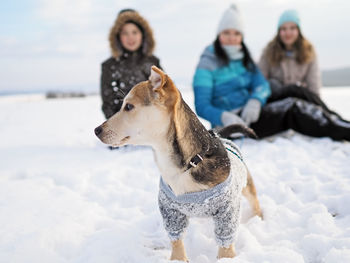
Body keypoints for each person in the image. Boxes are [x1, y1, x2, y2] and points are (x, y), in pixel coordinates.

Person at [193, 4, 350, 141]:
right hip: (234, 123)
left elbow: (261, 83)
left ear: (242, 36)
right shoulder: (207, 63)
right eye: (227, 33)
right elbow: (201, 105)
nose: (232, 38)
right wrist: (224, 117)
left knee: (296, 90)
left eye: (236, 33)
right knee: (292, 108)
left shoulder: (244, 58)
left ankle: (338, 120)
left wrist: (255, 100)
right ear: (219, 34)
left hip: (251, 109)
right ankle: (344, 131)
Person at [258, 9, 343, 118]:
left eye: (292, 28)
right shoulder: (268, 52)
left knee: (299, 92)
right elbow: (260, 81)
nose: (288, 33)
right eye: (284, 29)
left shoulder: (308, 52)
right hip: (275, 99)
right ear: (279, 31)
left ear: (298, 30)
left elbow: (314, 86)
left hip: (299, 99)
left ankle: (334, 119)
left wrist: (315, 106)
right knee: (282, 86)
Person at [100, 9, 162, 119]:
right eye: (125, 33)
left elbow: (165, 94)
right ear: (118, 37)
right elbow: (108, 104)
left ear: (143, 35)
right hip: (124, 128)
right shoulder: (109, 66)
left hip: (152, 125)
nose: (130, 37)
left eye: (134, 32)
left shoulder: (153, 62)